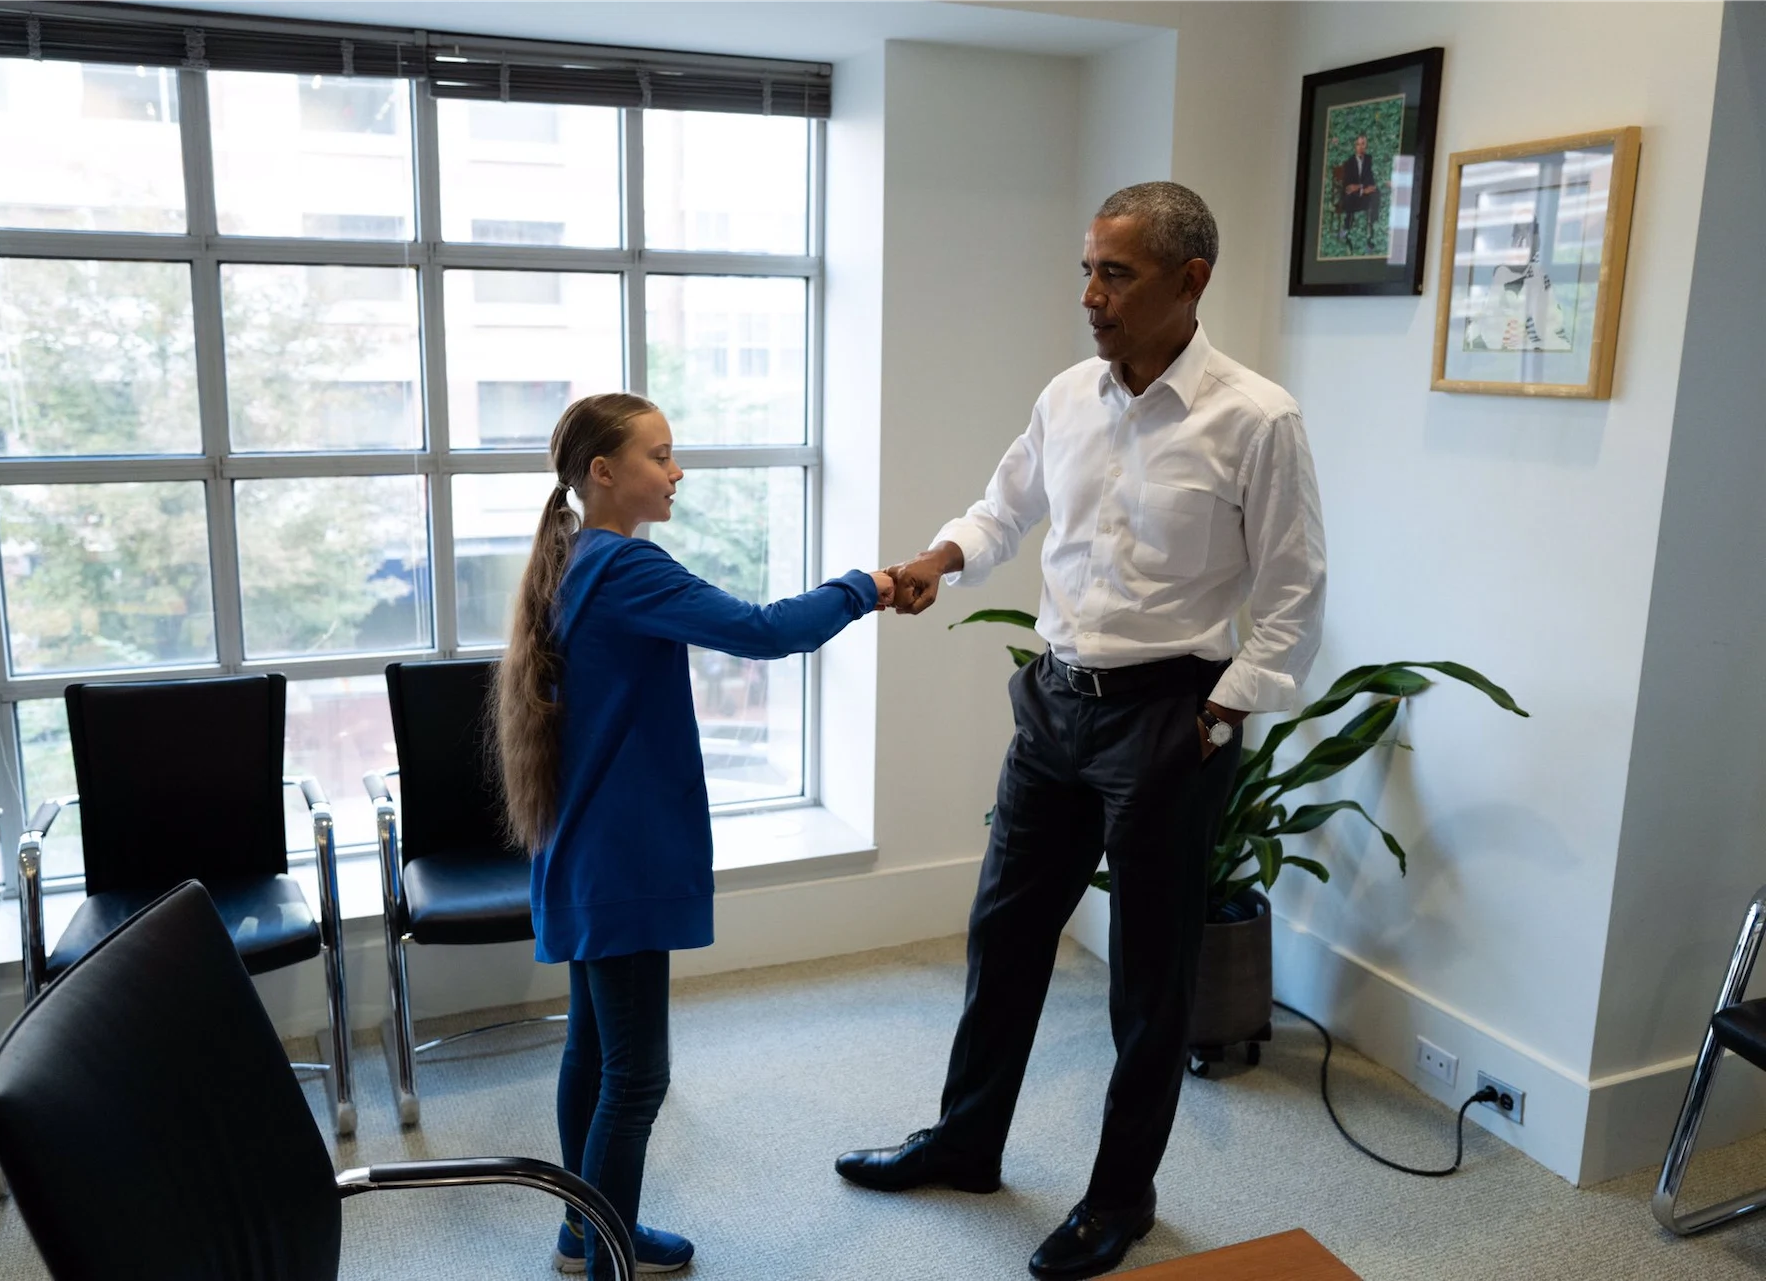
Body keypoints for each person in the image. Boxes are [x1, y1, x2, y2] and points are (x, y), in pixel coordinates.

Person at [837, 182, 1325, 1280]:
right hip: (1055, 707)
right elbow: (1004, 507)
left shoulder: (1257, 418)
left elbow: (1294, 590)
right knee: (1003, 936)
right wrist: (938, 560)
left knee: (1147, 983)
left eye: (1118, 274)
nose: (1092, 296)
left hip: (1171, 719)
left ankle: (1121, 1200)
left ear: (1191, 281)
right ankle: (968, 1143)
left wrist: (1222, 712)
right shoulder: (1067, 396)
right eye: (1087, 271)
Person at [495, 392, 893, 1279]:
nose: (678, 472)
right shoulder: (626, 570)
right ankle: (607, 1259)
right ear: (605, 473)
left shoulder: (573, 558)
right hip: (621, 857)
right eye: (661, 456)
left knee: (592, 1052)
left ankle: (585, 1233)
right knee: (635, 1078)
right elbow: (762, 631)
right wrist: (863, 588)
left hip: (585, 848)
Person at [1339, 133, 1380, 251]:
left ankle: (1372, 226)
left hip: (1364, 194)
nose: (1361, 147)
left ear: (1366, 146)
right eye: (1358, 144)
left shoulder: (1368, 159)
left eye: (1363, 144)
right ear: (1354, 146)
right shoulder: (1349, 163)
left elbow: (1369, 179)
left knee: (1376, 192)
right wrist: (1362, 188)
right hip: (1352, 196)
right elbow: (1348, 186)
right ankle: (1347, 228)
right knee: (1350, 194)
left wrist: (1364, 188)